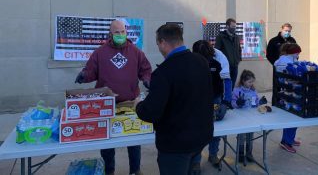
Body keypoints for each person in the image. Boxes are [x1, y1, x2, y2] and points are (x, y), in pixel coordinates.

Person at [135, 24, 214, 175]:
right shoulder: (202, 62)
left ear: (163, 42)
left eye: (158, 43)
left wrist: (138, 105)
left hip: (175, 145)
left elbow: (151, 112)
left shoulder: (163, 73)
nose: (158, 47)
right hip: (200, 137)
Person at [75, 20, 151, 175]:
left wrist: (147, 79)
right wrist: (84, 75)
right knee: (107, 140)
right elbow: (91, 71)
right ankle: (109, 170)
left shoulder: (136, 52)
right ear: (110, 34)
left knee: (134, 138)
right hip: (107, 104)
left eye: (123, 32)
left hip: (131, 103)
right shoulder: (100, 52)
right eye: (117, 32)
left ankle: (135, 169)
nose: (120, 35)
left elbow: (145, 69)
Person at [191, 40, 232, 171]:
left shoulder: (220, 59)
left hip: (215, 97)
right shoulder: (191, 61)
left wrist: (226, 103)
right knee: (197, 131)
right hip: (197, 99)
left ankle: (213, 154)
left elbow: (227, 82)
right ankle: (196, 161)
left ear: (211, 54)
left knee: (216, 129)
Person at [274, 43, 302, 153]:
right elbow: (291, 76)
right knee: (293, 118)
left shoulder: (285, 60)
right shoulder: (286, 61)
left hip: (287, 93)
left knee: (292, 118)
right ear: (293, 52)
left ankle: (288, 139)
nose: (299, 54)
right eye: (298, 52)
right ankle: (286, 142)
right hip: (289, 94)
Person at [231, 70, 259, 162]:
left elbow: (256, 102)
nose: (251, 84)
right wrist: (237, 103)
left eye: (252, 82)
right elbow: (232, 103)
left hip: (251, 117)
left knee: (250, 135)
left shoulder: (253, 91)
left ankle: (249, 153)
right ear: (243, 81)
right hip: (240, 117)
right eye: (249, 82)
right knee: (241, 135)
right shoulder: (236, 90)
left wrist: (260, 102)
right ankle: (240, 154)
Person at [215, 18, 242, 88]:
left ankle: (231, 98)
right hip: (225, 66)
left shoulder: (236, 37)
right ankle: (226, 99)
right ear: (227, 26)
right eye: (233, 27)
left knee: (232, 85)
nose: (234, 28)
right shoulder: (220, 37)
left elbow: (239, 49)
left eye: (235, 27)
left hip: (235, 65)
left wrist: (238, 59)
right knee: (226, 85)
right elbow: (217, 51)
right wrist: (221, 63)